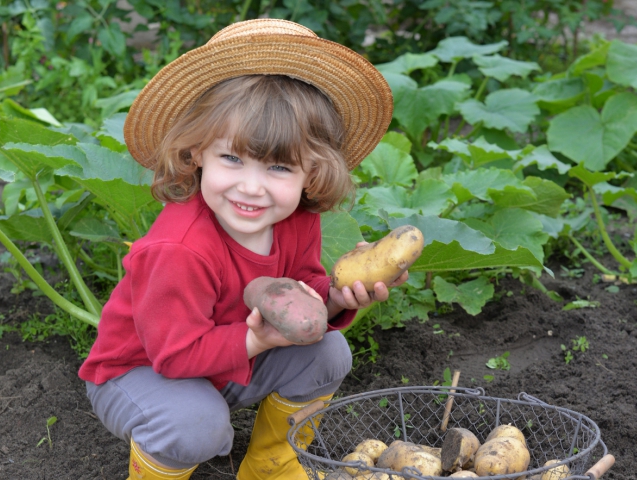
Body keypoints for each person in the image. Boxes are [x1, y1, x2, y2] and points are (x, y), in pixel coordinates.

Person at [77, 18, 398, 480]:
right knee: (195, 426)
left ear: (311, 172)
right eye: (231, 158)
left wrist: (335, 297)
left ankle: (271, 467)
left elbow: (301, 289)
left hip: (225, 361)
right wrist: (260, 339)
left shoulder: (297, 218)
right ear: (196, 153)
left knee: (330, 352)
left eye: (279, 168)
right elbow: (174, 356)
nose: (252, 188)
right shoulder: (179, 248)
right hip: (142, 373)